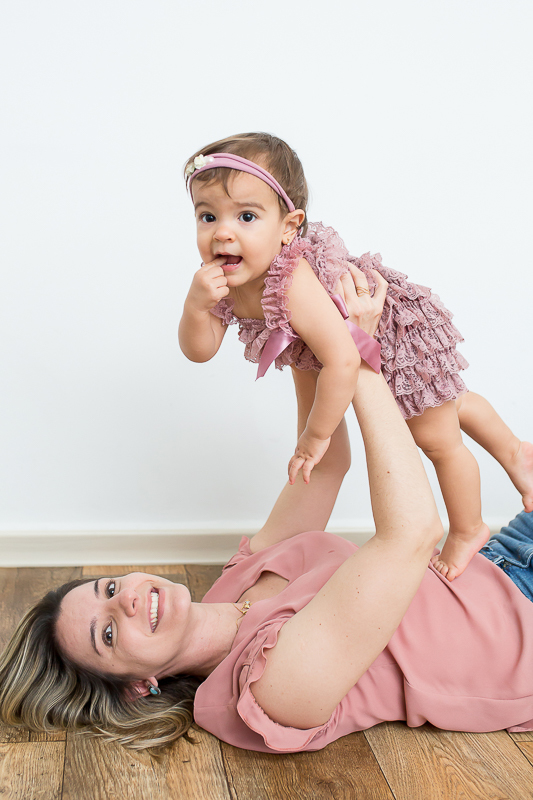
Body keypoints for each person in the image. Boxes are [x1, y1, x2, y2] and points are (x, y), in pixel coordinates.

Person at [1, 273, 533, 756]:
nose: (130, 601)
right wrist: (357, 351)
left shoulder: (235, 583)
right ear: (138, 686)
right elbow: (413, 534)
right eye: (110, 635)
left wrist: (305, 334)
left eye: (111, 589)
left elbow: (324, 469)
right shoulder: (271, 691)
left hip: (497, 562)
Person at [178, 131, 533, 581]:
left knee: (435, 435)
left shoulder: (292, 282)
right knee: (449, 401)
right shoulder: (222, 279)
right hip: (319, 353)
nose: (223, 232)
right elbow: (200, 350)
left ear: (289, 227)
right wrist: (196, 306)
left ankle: (468, 527)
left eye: (246, 216)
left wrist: (314, 437)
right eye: (207, 216)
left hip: (390, 333)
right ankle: (515, 452)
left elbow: (345, 360)